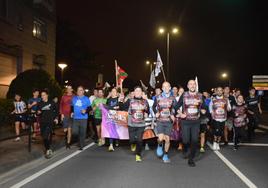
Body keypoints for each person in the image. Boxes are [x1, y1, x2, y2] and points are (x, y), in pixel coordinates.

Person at [176, 80, 206, 167]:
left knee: (195, 140)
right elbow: (176, 106)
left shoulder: (200, 96)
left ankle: (191, 159)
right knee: (185, 140)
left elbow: (204, 107)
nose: (192, 86)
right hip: (185, 121)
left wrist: (204, 110)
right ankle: (185, 148)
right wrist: (180, 114)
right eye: (190, 84)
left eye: (194, 84)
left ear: (195, 85)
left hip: (196, 122)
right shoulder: (184, 95)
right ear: (188, 86)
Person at [120, 86, 149, 162]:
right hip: (131, 124)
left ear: (142, 92)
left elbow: (147, 111)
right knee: (132, 140)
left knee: (139, 140)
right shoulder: (130, 100)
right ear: (134, 92)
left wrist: (146, 114)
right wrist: (120, 100)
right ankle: (132, 143)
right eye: (136, 91)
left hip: (141, 124)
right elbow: (122, 107)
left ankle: (138, 155)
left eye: (139, 91)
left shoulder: (145, 101)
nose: (138, 92)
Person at [153, 82, 176, 163]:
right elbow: (154, 107)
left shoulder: (173, 98)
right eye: (164, 87)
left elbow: (174, 108)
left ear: (170, 88)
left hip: (169, 121)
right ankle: (159, 145)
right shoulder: (158, 97)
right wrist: (156, 112)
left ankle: (165, 155)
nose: (166, 88)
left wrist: (173, 114)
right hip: (160, 120)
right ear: (162, 88)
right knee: (160, 138)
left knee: (167, 140)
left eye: (167, 86)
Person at [37, 89, 58, 159]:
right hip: (42, 122)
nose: (42, 96)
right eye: (41, 95)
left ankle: (48, 150)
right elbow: (37, 112)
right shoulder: (40, 103)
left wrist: (56, 118)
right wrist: (38, 112)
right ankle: (48, 148)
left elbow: (57, 111)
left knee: (45, 136)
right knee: (43, 137)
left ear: (47, 95)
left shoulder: (52, 103)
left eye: (43, 95)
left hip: (50, 122)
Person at [72, 86, 91, 150]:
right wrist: (71, 112)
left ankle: (81, 145)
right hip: (75, 118)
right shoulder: (74, 98)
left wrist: (85, 111)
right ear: (77, 92)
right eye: (78, 90)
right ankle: (79, 141)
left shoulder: (86, 99)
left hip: (83, 118)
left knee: (82, 132)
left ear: (83, 91)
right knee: (74, 132)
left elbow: (89, 108)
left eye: (81, 90)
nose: (79, 91)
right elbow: (72, 106)